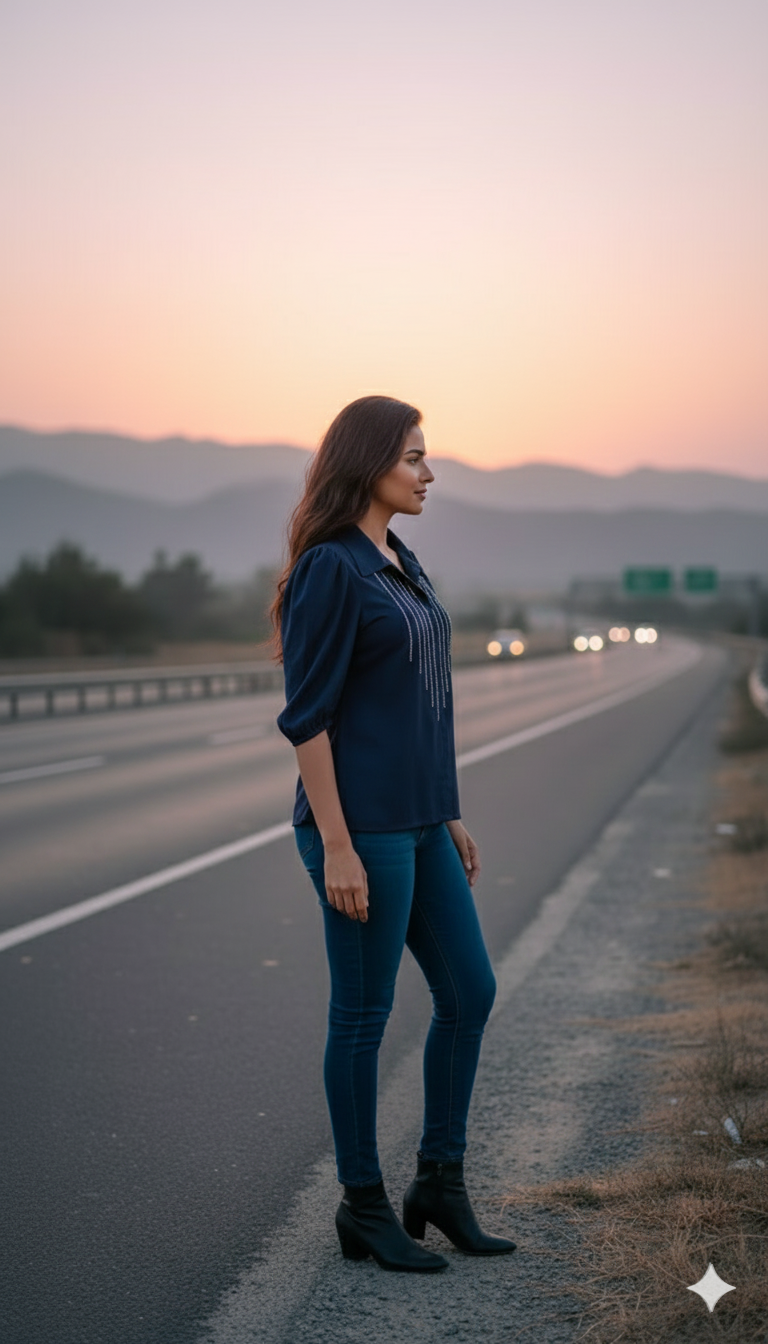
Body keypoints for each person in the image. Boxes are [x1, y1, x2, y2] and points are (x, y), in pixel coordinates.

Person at [272, 395, 515, 1273]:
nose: (428, 471)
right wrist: (335, 843)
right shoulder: (332, 568)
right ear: (369, 462)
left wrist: (447, 812)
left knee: (471, 993)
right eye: (413, 457)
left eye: (426, 456)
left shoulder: (398, 559)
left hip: (418, 822)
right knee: (364, 1015)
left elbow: (419, 706)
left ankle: (439, 1184)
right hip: (362, 831)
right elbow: (307, 720)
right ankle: (363, 1207)